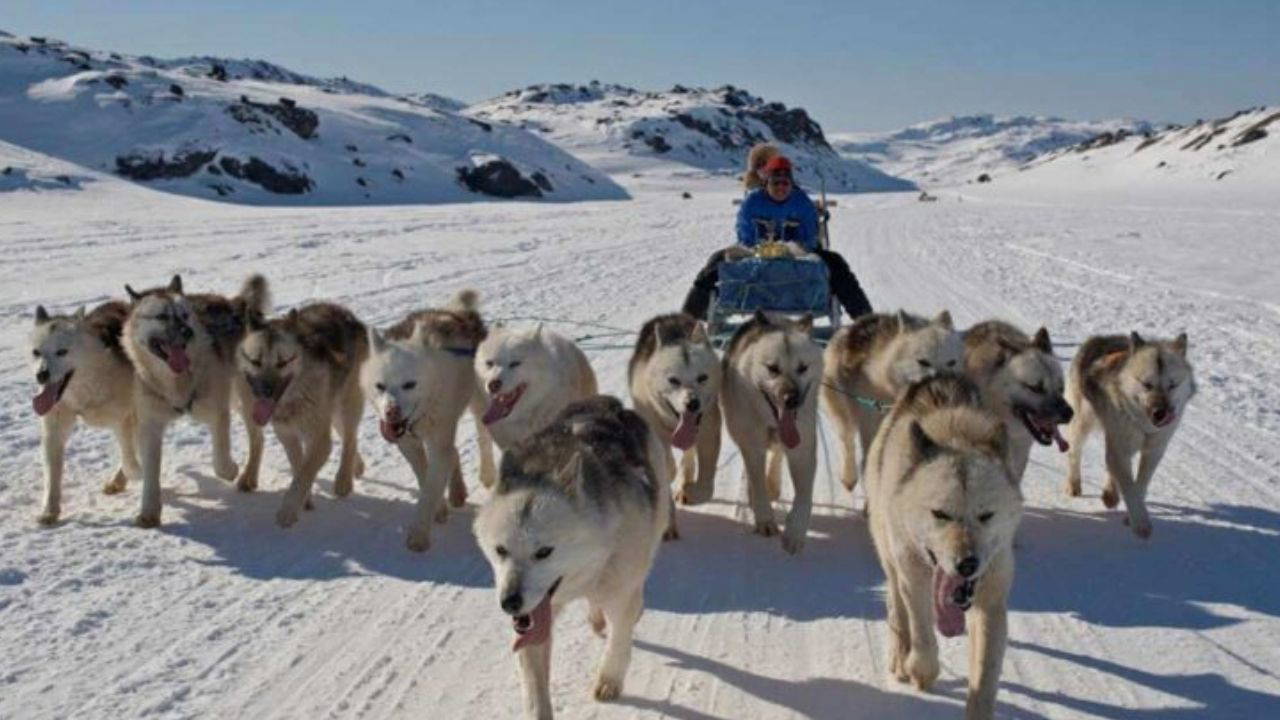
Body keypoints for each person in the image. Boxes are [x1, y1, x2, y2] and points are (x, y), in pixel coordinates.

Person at [680, 154, 874, 321]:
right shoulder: (753, 202)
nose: (781, 187)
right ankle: (686, 321)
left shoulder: (802, 203)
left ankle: (867, 321)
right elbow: (744, 233)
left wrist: (791, 248)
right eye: (775, 182)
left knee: (836, 263)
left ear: (791, 184)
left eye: (785, 183)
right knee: (715, 261)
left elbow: (809, 237)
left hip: (796, 253)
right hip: (754, 251)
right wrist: (759, 248)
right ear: (767, 183)